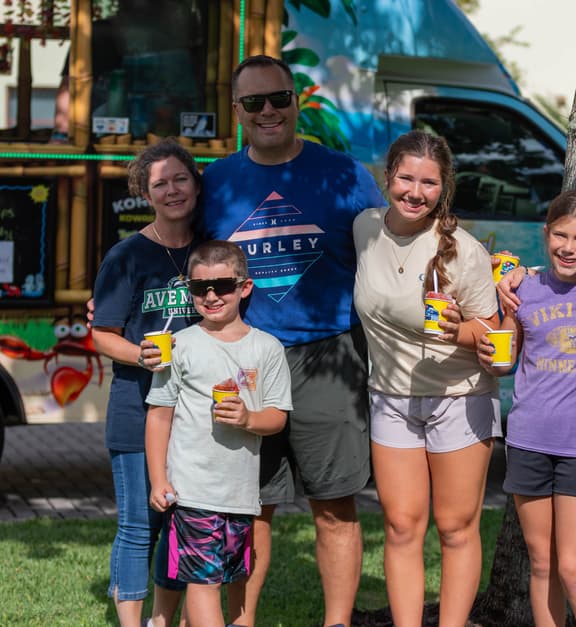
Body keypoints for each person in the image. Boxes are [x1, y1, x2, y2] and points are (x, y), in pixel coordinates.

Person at [197, 55, 385, 627]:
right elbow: (186, 260)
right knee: (250, 508)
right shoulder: (217, 182)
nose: (268, 111)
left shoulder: (347, 176)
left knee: (334, 506)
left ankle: (336, 622)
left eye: (278, 97)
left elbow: (389, 258)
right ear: (237, 112)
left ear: (296, 99)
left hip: (329, 355)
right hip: (245, 357)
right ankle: (242, 621)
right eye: (254, 102)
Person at [352, 130, 501, 627]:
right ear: (388, 176)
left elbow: (493, 336)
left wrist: (458, 331)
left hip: (458, 398)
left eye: (429, 183)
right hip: (389, 398)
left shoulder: (464, 251)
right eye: (406, 178)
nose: (416, 192)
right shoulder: (364, 228)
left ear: (445, 187)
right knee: (400, 526)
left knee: (456, 527)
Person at [477, 189, 576, 627]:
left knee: (573, 567)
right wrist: (494, 328)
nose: (569, 248)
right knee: (541, 563)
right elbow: (505, 361)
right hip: (529, 439)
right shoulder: (523, 289)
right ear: (545, 233)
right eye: (560, 235)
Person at [145, 240, 292, 626]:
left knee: (229, 575)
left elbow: (277, 417)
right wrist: (158, 479)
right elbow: (159, 415)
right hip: (192, 490)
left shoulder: (268, 348)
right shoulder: (179, 346)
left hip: (240, 494)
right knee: (203, 582)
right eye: (199, 288)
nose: (211, 296)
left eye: (222, 286)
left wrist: (246, 418)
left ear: (244, 288)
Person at [91, 138, 202, 627]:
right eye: (161, 184)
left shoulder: (212, 251)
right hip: (137, 408)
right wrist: (143, 354)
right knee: (140, 525)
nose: (172, 190)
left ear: (196, 184)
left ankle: (162, 620)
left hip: (197, 415)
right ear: (146, 193)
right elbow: (101, 334)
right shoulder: (126, 256)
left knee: (179, 523)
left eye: (181, 179)